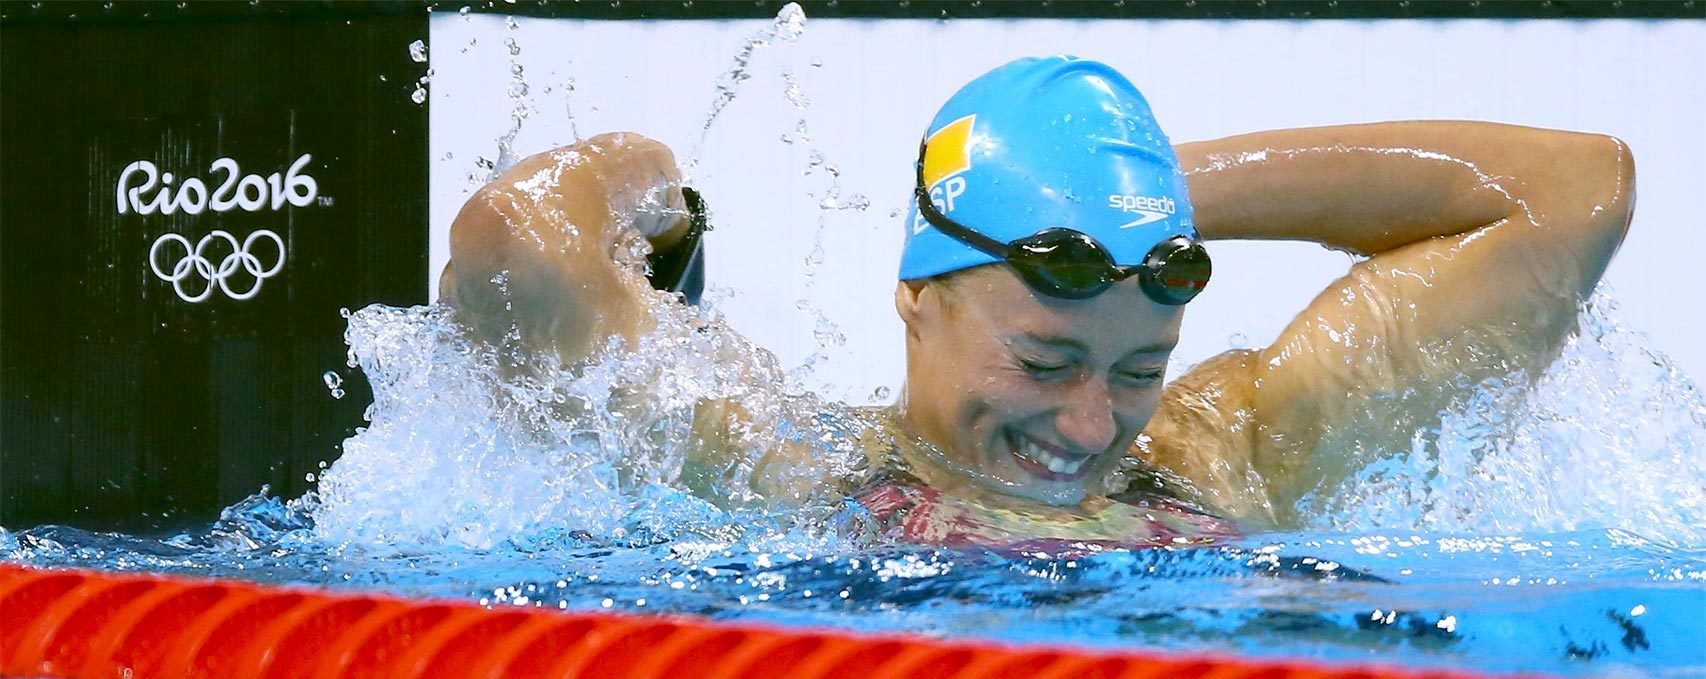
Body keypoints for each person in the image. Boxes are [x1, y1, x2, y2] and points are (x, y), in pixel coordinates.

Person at [439, 56, 1634, 545]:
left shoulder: (1226, 455)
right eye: (1046, 361)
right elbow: (512, 249)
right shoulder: (790, 465)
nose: (1084, 430)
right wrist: (659, 196)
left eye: (1135, 369)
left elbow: (1570, 196)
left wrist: (1153, 191)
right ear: (918, 298)